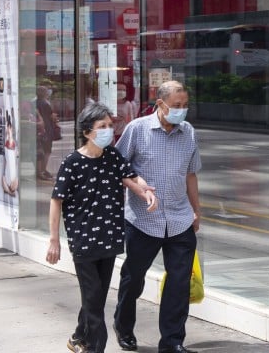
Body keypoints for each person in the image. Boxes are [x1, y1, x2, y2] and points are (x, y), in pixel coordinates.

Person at [46, 102, 157, 353]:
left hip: (109, 238)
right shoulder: (72, 162)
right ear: (87, 132)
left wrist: (145, 190)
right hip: (84, 241)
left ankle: (78, 337)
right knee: (95, 301)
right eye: (102, 126)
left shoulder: (113, 156)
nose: (109, 130)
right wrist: (54, 240)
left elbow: (130, 177)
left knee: (95, 297)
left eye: (110, 125)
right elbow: (56, 201)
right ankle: (96, 347)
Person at [113, 80, 202, 353]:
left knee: (178, 283)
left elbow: (191, 174)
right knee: (134, 278)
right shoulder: (137, 130)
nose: (181, 111)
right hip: (143, 221)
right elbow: (120, 168)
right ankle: (123, 326)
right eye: (176, 106)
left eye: (185, 105)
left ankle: (173, 342)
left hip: (179, 219)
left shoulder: (188, 132)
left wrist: (196, 211)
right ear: (160, 104)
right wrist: (140, 189)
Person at [35, 83, 60, 181]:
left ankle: (39, 170)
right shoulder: (45, 103)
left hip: (39, 129)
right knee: (47, 151)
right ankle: (43, 170)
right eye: (46, 91)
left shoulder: (36, 102)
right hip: (47, 129)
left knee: (40, 151)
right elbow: (51, 116)